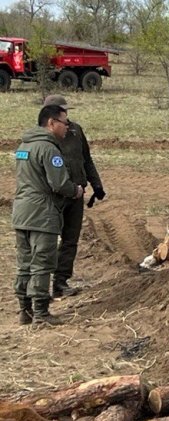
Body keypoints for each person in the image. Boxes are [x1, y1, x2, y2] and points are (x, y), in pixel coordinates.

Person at [12, 105, 84, 326]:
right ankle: (41, 313)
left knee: (25, 263)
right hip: (42, 214)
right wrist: (76, 190)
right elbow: (59, 183)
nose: (67, 127)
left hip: (21, 212)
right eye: (64, 122)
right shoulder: (49, 149)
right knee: (43, 263)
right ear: (51, 123)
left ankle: (25, 311)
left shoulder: (24, 146)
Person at [43, 95, 105, 298]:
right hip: (54, 196)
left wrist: (96, 184)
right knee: (48, 240)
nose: (66, 116)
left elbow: (86, 159)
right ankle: (42, 285)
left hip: (77, 194)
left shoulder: (76, 131)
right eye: (61, 111)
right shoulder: (44, 137)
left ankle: (60, 282)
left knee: (70, 239)